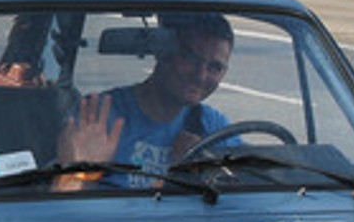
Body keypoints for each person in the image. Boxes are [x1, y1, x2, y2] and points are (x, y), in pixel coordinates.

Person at [54, 15, 234, 191]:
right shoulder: (97, 117)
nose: (201, 75)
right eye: (190, 58)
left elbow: (249, 188)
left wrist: (202, 167)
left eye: (215, 67)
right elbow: (58, 208)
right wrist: (83, 173)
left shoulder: (212, 127)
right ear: (163, 53)